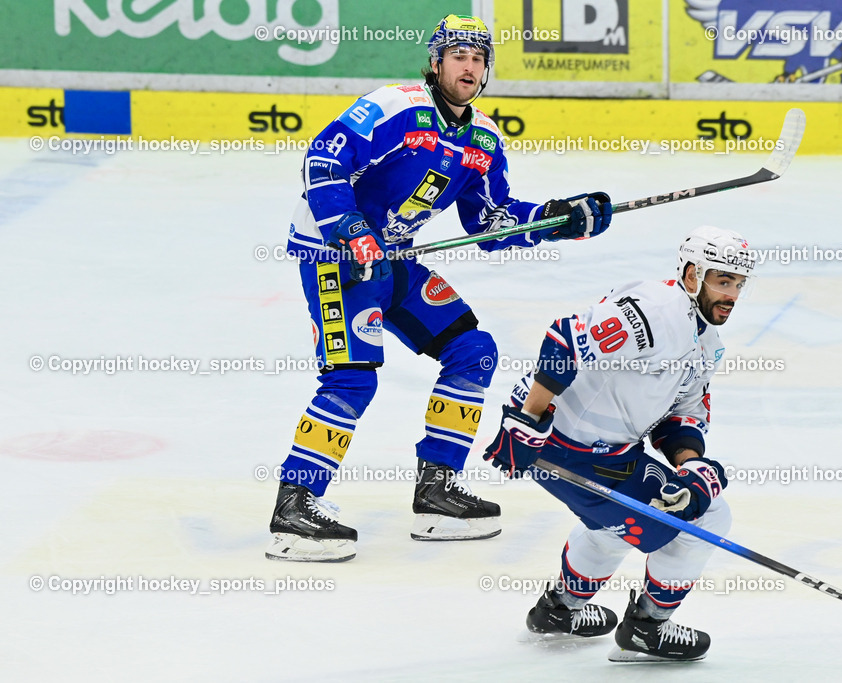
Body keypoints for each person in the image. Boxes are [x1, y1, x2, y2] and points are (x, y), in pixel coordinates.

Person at [265, 14, 614, 562]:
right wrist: (350, 230)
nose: (468, 68)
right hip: (335, 256)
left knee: (473, 350)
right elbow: (323, 160)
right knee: (352, 378)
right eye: (458, 57)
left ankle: (436, 491)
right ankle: (294, 504)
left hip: (393, 258)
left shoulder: (483, 140)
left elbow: (491, 220)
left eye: (478, 59)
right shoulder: (394, 106)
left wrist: (554, 219)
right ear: (435, 63)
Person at [483, 226, 754, 661]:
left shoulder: (707, 344)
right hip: (559, 443)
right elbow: (565, 340)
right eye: (723, 281)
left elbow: (679, 419)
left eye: (739, 284)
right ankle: (649, 626)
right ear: (692, 275)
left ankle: (559, 611)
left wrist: (690, 469)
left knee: (618, 523)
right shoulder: (655, 311)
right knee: (709, 517)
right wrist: (527, 420)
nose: (733, 295)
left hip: (598, 452)